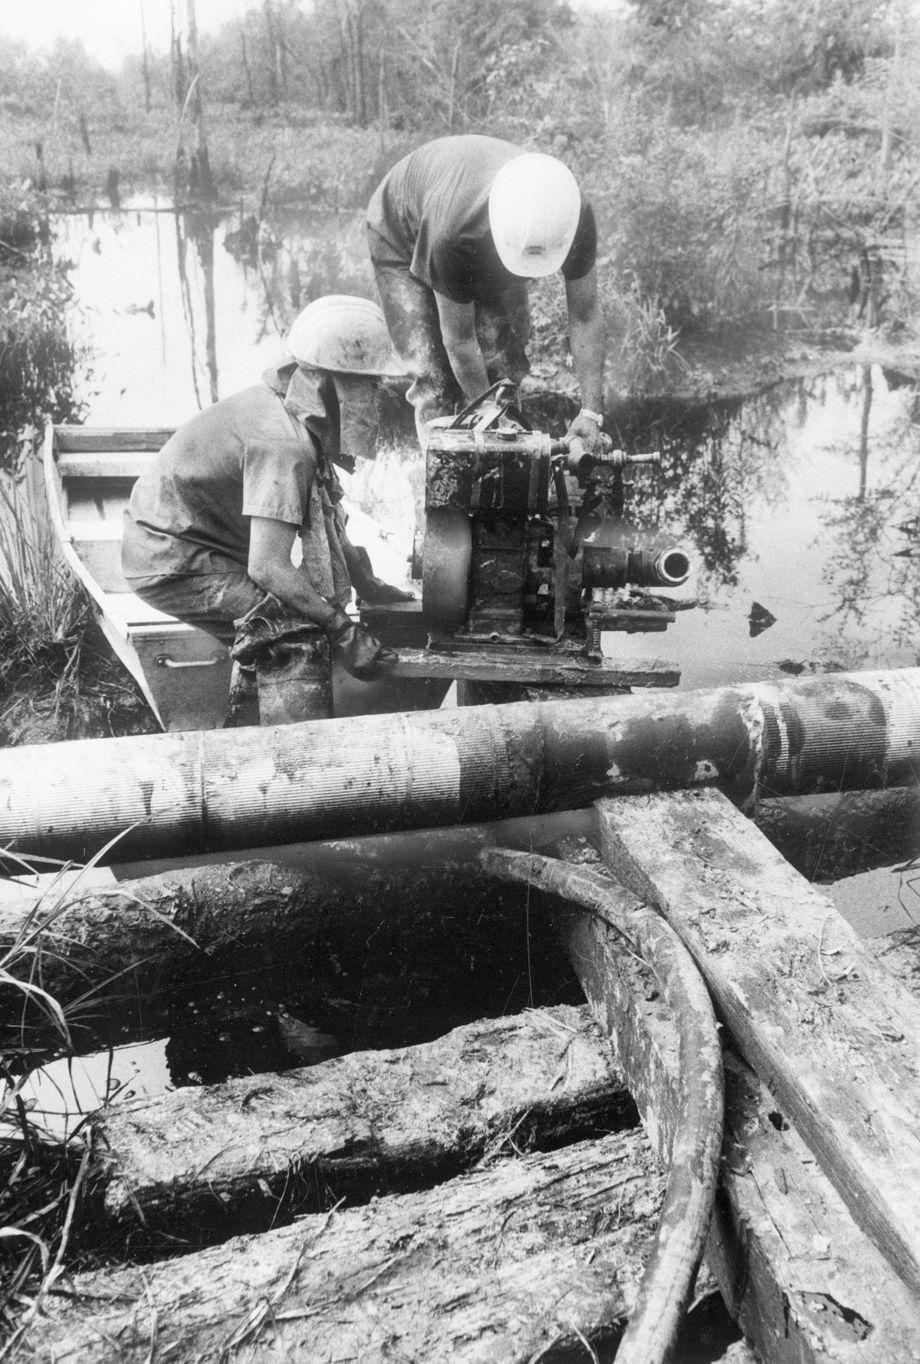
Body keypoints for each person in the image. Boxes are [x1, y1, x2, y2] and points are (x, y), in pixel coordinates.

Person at [121, 294, 413, 701]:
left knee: (286, 621)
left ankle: (250, 700)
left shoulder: (295, 409)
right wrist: (344, 631)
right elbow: (268, 567)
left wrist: (368, 582)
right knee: (294, 637)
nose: (378, 394)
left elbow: (326, 509)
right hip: (172, 559)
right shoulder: (284, 445)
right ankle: (287, 754)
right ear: (332, 384)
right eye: (369, 384)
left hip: (208, 542)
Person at [366, 134, 606, 449]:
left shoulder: (573, 214)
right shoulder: (453, 234)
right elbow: (460, 341)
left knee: (507, 359)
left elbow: (585, 314)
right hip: (400, 232)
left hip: (479, 224)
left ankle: (511, 467)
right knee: (437, 379)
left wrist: (591, 413)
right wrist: (490, 416)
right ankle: (443, 478)